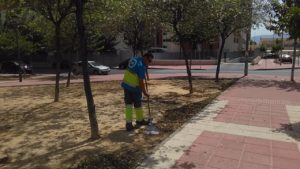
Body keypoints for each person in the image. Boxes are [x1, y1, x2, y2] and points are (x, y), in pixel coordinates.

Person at [121, 52, 154, 131]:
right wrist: (145, 92)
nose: (149, 63)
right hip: (134, 88)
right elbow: (141, 81)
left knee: (129, 105)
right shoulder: (141, 66)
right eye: (149, 61)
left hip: (126, 85)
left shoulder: (134, 59)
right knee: (137, 104)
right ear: (145, 58)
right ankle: (139, 120)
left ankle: (129, 124)